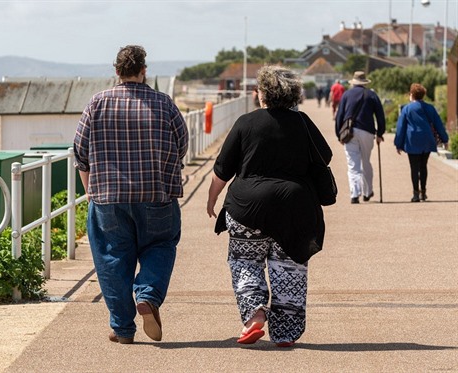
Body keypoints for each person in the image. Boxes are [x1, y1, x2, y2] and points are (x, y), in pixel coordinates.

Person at [206, 65, 333, 347]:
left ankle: (255, 316)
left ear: (262, 94)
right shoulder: (302, 122)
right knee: (289, 268)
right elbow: (325, 156)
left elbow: (222, 169)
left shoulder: (245, 122)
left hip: (247, 207)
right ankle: (286, 333)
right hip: (294, 209)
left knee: (245, 262)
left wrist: (212, 198)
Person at [73, 45, 189, 344]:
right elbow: (182, 144)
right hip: (157, 194)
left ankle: (123, 329)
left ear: (116, 71)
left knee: (112, 258)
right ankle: (148, 295)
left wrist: (89, 190)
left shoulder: (97, 103)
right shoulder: (164, 103)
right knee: (161, 245)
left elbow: (80, 152)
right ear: (143, 71)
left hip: (108, 197)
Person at [335, 71, 385, 204]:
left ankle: (355, 193)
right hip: (367, 132)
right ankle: (367, 192)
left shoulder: (346, 95)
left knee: (353, 164)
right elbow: (380, 116)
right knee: (366, 161)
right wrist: (380, 133)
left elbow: (339, 116)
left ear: (354, 82)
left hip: (350, 132)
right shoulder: (372, 95)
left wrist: (339, 134)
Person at [394, 83, 449, 202]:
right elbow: (438, 124)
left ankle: (415, 194)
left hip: (412, 140)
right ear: (423, 95)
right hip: (427, 139)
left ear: (412, 95)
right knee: (423, 166)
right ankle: (423, 192)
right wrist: (445, 139)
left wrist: (398, 143)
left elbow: (401, 127)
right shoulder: (430, 108)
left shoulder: (407, 109)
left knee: (414, 168)